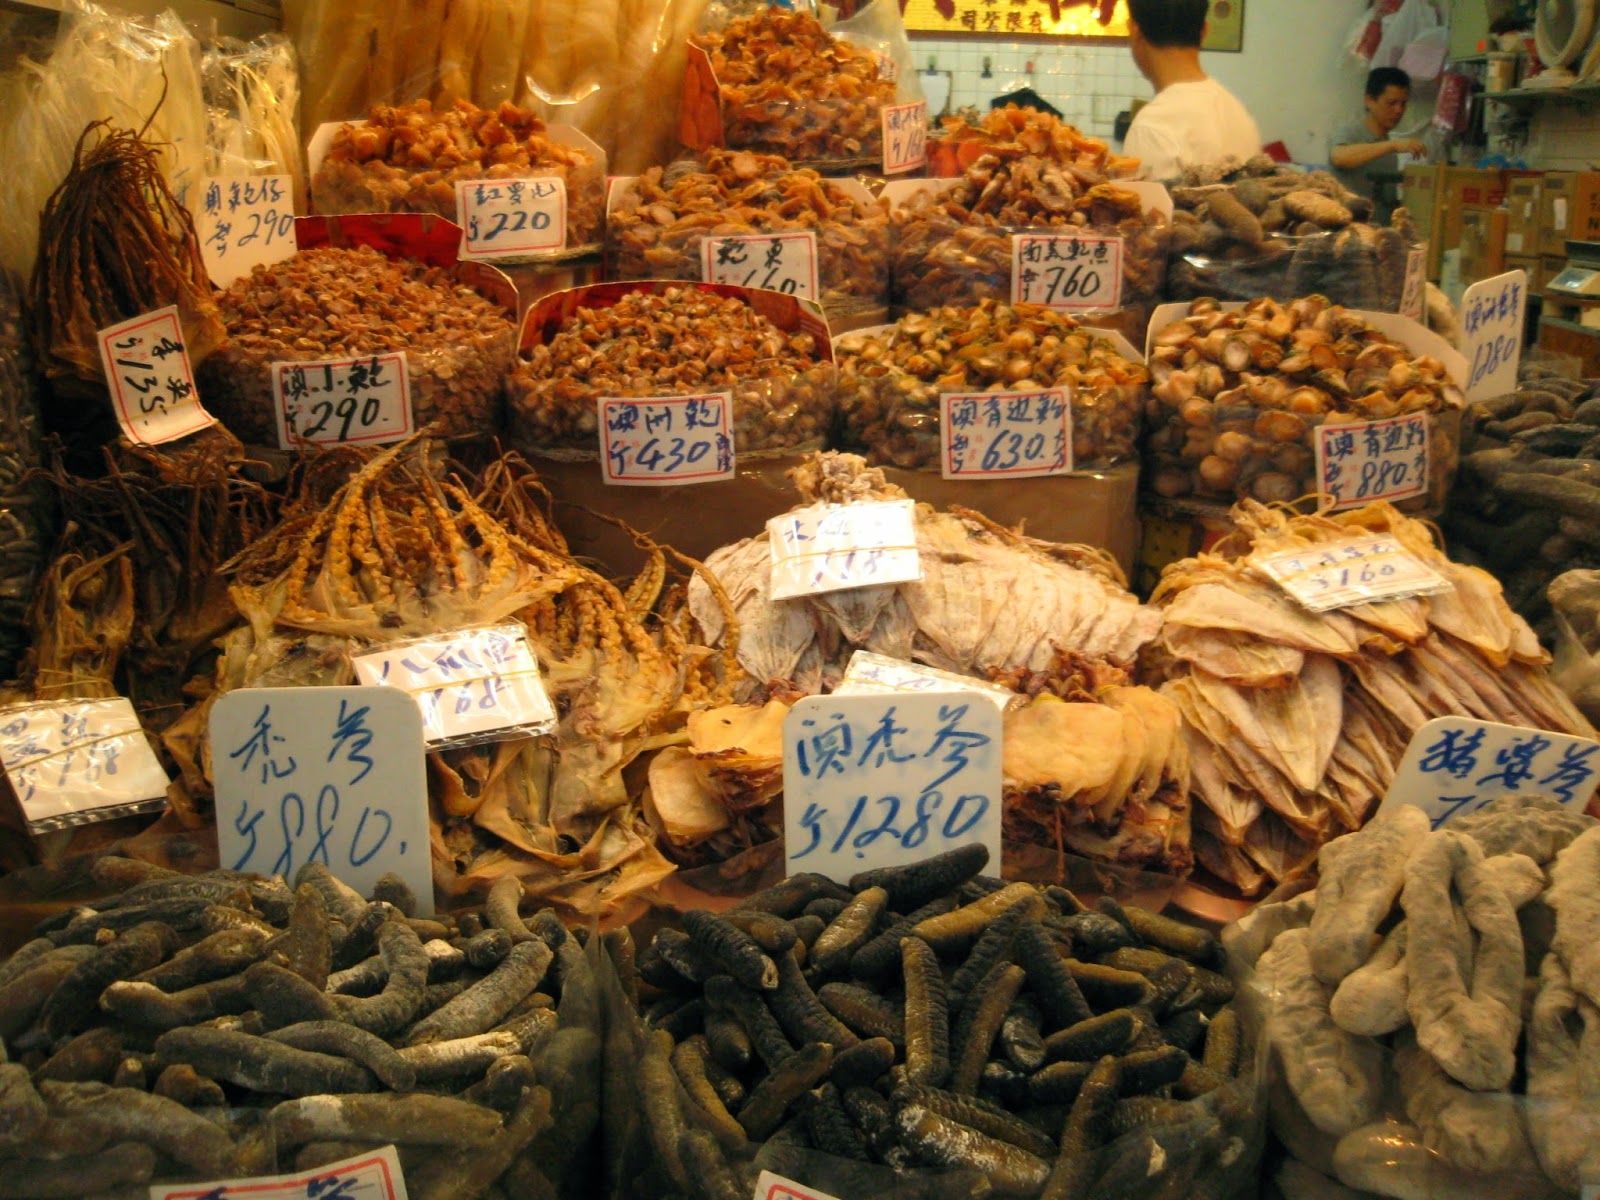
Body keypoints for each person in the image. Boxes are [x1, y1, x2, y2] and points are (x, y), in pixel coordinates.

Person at [1122, 0, 1262, 182]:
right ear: (1204, 31)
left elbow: (1143, 201)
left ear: (1135, 31)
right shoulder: (1238, 113)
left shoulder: (1151, 127)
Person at [1330, 67, 1427, 223]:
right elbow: (1339, 157)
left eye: (1403, 104)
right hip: (1349, 230)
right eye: (1391, 103)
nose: (1398, 110)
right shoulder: (1349, 132)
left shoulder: (1388, 145)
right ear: (1369, 100)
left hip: (1380, 232)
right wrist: (1392, 145)